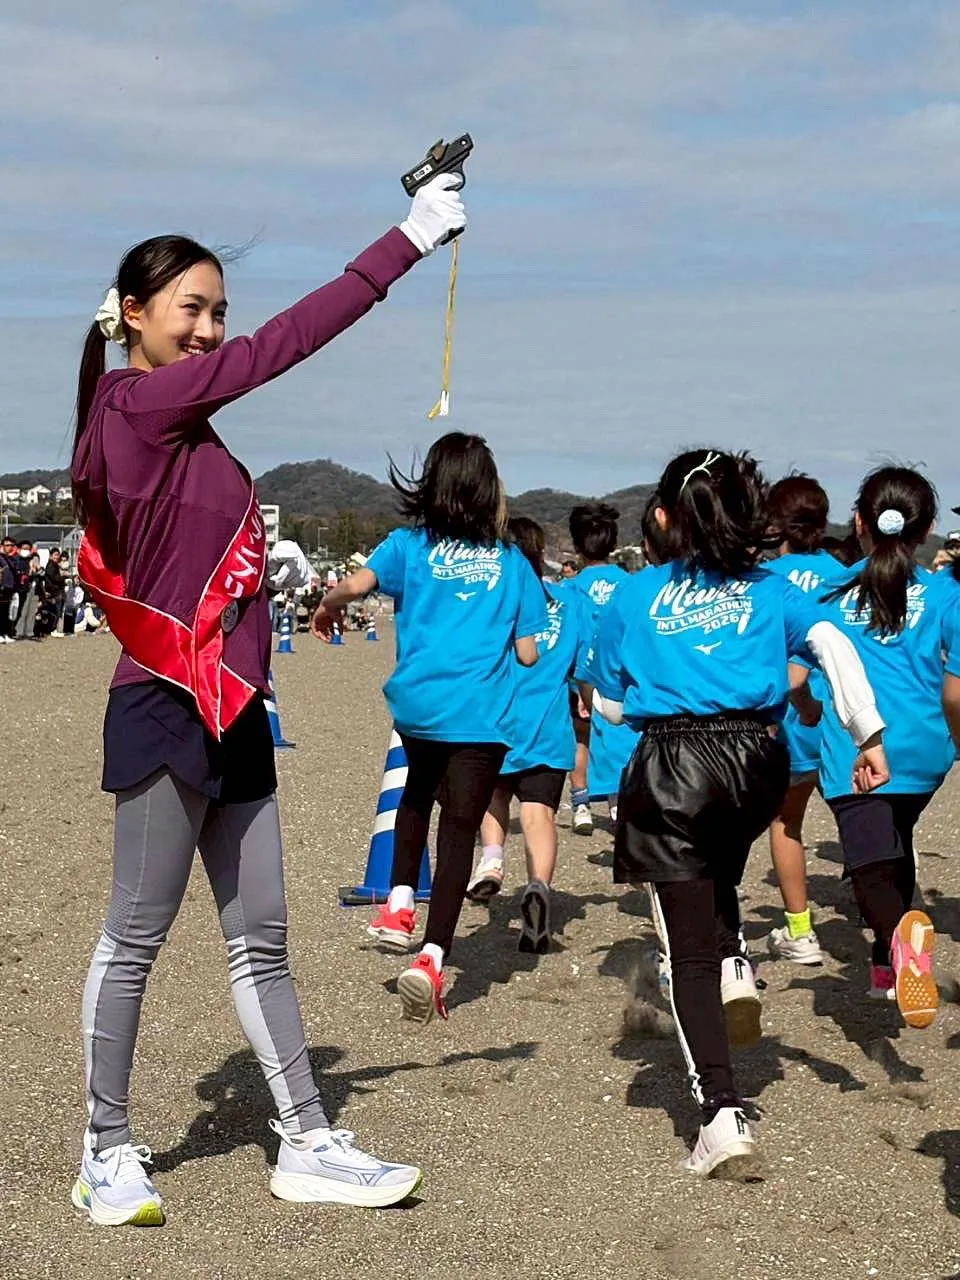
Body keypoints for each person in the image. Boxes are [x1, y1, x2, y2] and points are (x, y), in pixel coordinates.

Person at [69, 172, 465, 1226]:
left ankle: (305, 1137)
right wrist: (408, 241)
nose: (209, 331)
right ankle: (105, 1145)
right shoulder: (137, 407)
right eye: (189, 310)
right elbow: (284, 345)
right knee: (134, 936)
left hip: (236, 706)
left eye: (218, 312)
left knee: (263, 940)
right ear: (133, 315)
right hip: (163, 703)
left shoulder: (187, 432)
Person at [583, 447, 888, 1177]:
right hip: (759, 762)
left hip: (676, 764)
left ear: (661, 519)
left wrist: (657, 704)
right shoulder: (772, 589)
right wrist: (867, 733)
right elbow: (832, 645)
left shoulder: (633, 596)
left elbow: (607, 701)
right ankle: (738, 961)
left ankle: (720, 1115)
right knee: (720, 854)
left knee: (680, 947)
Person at [312, 432, 547, 1023]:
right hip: (480, 715)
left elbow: (355, 586)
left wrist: (328, 606)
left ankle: (396, 905)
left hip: (419, 707)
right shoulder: (512, 561)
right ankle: (434, 957)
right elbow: (526, 654)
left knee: (417, 792)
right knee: (460, 831)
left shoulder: (408, 545)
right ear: (488, 490)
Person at [814, 467, 960, 1026]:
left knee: (871, 866)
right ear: (925, 533)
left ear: (858, 523)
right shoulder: (947, 595)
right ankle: (884, 967)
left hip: (856, 752)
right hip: (926, 752)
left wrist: (803, 708)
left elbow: (801, 677)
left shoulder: (829, 595)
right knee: (894, 843)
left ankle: (903, 948)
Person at [470, 516, 587, 951]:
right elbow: (582, 665)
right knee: (538, 815)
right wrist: (587, 697)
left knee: (493, 797)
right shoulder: (567, 604)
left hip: (496, 721)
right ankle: (538, 887)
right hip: (549, 726)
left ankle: (493, 861)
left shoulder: (494, 604)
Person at [762, 474, 847, 966]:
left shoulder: (767, 582)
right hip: (842, 727)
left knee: (787, 822)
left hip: (791, 724)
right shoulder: (844, 574)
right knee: (859, 820)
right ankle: (887, 920)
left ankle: (801, 929)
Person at [566, 503, 632, 833]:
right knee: (619, 736)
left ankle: (580, 805)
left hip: (578, 675)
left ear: (577, 546)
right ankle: (618, 805)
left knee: (580, 738)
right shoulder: (629, 585)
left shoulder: (570, 588)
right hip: (617, 676)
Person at [0, 535, 16, 643]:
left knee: (7, 612)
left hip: (9, 588)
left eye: (11, 545)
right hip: (1, 587)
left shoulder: (11, 559)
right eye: (7, 545)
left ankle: (6, 633)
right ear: (2, 546)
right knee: (0, 612)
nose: (9, 547)